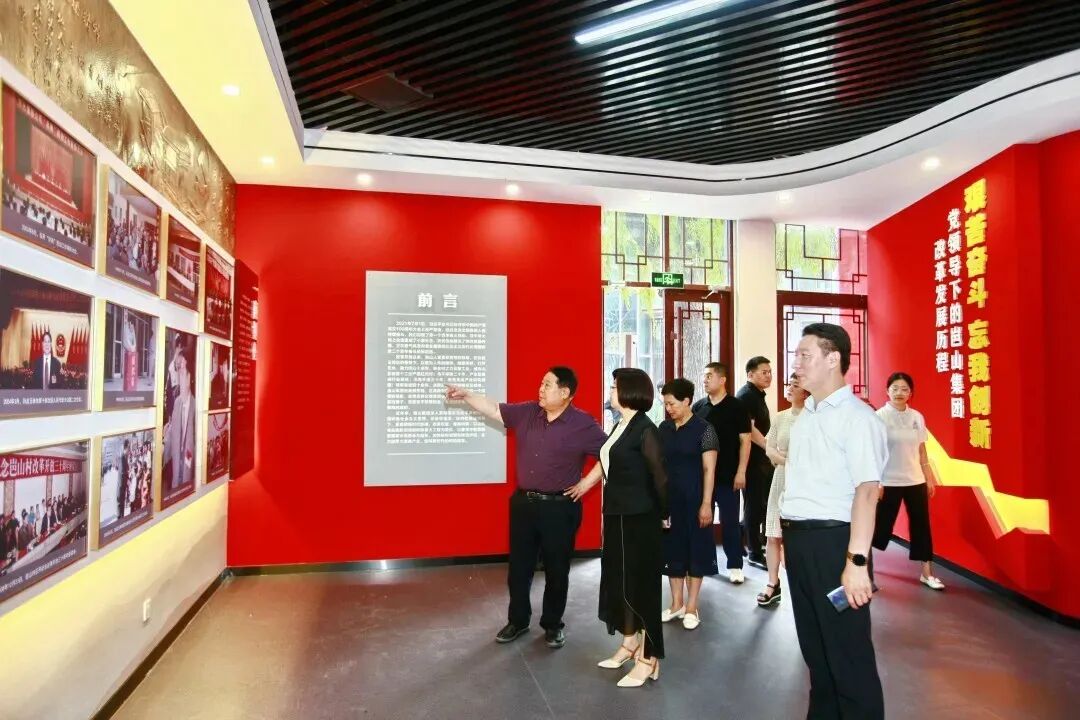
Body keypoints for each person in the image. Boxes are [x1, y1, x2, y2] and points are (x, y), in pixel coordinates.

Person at [445, 367, 606, 649]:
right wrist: (468, 395)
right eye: (541, 383)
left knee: (557, 570)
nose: (540, 389)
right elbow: (494, 409)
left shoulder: (583, 424)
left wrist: (586, 484)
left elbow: (609, 453)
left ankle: (553, 625)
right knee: (519, 568)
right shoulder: (529, 412)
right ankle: (517, 621)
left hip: (560, 508)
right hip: (523, 505)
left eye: (547, 385)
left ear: (565, 392)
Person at [781, 322, 887, 719]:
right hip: (801, 543)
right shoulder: (806, 414)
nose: (796, 364)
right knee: (817, 653)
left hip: (836, 546)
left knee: (848, 655)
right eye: (796, 356)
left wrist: (856, 563)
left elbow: (867, 492)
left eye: (804, 355)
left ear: (833, 359)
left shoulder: (858, 418)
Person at [567, 368, 667, 688]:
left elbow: (661, 477)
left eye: (614, 387)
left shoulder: (646, 429)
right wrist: (585, 484)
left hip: (640, 518)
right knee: (619, 580)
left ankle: (648, 658)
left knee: (642, 587)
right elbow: (607, 463)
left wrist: (665, 515)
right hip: (616, 515)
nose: (610, 391)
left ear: (629, 392)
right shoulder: (620, 425)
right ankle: (629, 642)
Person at [872, 372, 945, 591]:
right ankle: (865, 571)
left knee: (922, 526)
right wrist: (876, 482)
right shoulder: (879, 417)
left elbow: (921, 450)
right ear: (887, 391)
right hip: (888, 481)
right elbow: (874, 453)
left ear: (911, 393)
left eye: (904, 389)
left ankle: (927, 573)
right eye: (895, 388)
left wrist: (928, 477)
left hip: (915, 480)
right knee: (880, 527)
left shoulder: (917, 417)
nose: (899, 393)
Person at [657, 378, 719, 629]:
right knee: (673, 551)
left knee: (696, 550)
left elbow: (709, 470)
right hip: (670, 501)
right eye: (665, 404)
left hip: (695, 499)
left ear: (687, 401)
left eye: (672, 404)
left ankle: (692, 607)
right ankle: (677, 604)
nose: (668, 408)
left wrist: (706, 504)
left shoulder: (705, 429)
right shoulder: (664, 428)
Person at [758, 374, 808, 608]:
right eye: (789, 383)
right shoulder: (780, 417)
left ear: (806, 392)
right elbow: (769, 447)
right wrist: (785, 462)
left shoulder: (814, 418)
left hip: (805, 481)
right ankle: (772, 583)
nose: (789, 388)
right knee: (773, 534)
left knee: (798, 537)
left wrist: (795, 464)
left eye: (795, 385)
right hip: (781, 477)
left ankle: (802, 586)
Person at [701, 364, 752, 583]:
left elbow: (745, 441)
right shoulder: (699, 407)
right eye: (704, 376)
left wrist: (741, 471)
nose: (705, 380)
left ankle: (735, 564)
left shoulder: (737, 406)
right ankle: (708, 562)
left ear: (722, 380)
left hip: (729, 475)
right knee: (704, 520)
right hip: (704, 476)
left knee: (730, 521)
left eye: (709, 376)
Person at [736, 356, 773, 570]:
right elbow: (749, 429)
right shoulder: (747, 396)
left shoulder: (757, 394)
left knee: (759, 505)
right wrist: (769, 447)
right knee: (754, 506)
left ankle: (743, 540)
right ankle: (754, 552)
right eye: (763, 372)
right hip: (750, 460)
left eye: (769, 372)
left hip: (761, 459)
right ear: (750, 374)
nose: (768, 376)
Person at [163, 351, 196, 489]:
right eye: (179, 373)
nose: (181, 378)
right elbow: (169, 440)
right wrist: (164, 437)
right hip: (176, 473)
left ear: (190, 378)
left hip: (191, 471)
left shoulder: (196, 405)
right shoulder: (176, 404)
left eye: (184, 373)